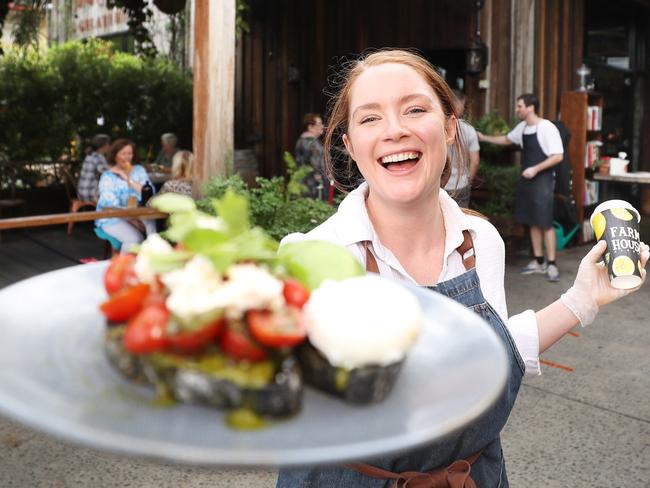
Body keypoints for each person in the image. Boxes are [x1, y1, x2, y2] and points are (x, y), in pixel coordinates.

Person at [277, 49, 648, 488]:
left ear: (450, 128)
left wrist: (583, 298)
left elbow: (496, 351)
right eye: (370, 118)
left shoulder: (479, 241)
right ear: (351, 145)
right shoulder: (315, 255)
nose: (395, 130)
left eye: (415, 109)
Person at [477, 94, 564, 282]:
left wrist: (535, 169)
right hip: (527, 180)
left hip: (543, 180)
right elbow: (507, 140)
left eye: (519, 106)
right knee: (532, 220)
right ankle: (538, 262)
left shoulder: (547, 127)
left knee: (545, 223)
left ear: (531, 107)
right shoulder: (523, 127)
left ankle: (552, 265)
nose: (517, 110)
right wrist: (483, 138)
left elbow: (558, 156)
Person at [96, 139, 156, 252]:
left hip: (138, 213)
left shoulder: (139, 170)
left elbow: (148, 193)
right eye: (123, 153)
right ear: (115, 156)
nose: (127, 157)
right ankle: (121, 267)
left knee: (152, 230)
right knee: (135, 239)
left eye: (130, 153)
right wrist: (132, 220)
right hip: (111, 217)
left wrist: (128, 179)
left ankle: (152, 257)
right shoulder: (108, 176)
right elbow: (109, 205)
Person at [443, 90, 480, 207]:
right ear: (461, 105)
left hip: (440, 183)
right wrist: (468, 181)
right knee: (461, 220)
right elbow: (475, 161)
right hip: (461, 183)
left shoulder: (438, 127)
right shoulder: (469, 130)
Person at [295, 113, 329, 200]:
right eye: (319, 124)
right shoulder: (312, 143)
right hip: (314, 184)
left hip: (302, 181)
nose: (322, 126)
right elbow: (316, 164)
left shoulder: (300, 141)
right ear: (310, 127)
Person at [77, 134, 110, 201]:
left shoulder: (90, 155)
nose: (109, 146)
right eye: (108, 144)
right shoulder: (98, 157)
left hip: (82, 192)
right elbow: (108, 175)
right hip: (90, 193)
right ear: (103, 146)